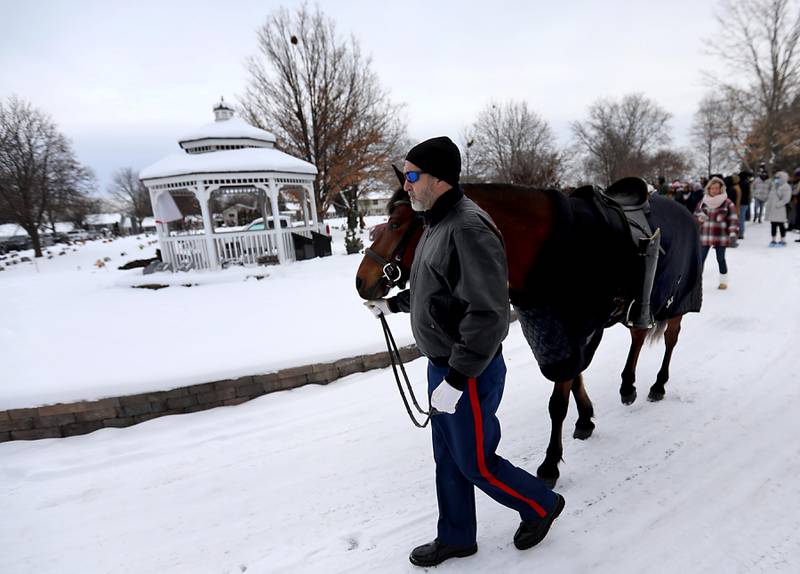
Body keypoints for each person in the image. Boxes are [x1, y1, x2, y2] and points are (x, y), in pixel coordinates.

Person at [364, 136, 563, 567]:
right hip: (445, 366)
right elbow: (439, 289)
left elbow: (489, 314)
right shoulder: (436, 222)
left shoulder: (469, 228)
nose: (407, 185)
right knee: (448, 457)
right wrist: (396, 303)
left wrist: (456, 379)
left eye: (413, 176)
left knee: (476, 462)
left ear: (438, 179)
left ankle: (541, 505)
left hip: (467, 372)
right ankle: (456, 536)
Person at [694, 176, 739, 289]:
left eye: (717, 188)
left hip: (721, 235)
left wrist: (733, 233)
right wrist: (698, 219)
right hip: (705, 235)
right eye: (712, 188)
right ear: (708, 189)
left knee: (720, 259)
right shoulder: (702, 202)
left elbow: (733, 219)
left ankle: (723, 281)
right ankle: (696, 282)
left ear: (721, 189)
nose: (714, 190)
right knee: (700, 259)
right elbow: (695, 216)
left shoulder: (727, 203)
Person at [765, 171, 792, 246]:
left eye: (778, 178)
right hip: (773, 210)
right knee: (773, 225)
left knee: (781, 225)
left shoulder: (786, 186)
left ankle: (783, 240)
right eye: (776, 178)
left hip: (780, 209)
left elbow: (787, 198)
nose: (777, 179)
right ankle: (773, 240)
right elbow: (771, 197)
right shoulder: (774, 185)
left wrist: (778, 204)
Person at [738, 170, 753, 239]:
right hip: (745, 203)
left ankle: (739, 233)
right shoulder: (747, 183)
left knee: (740, 218)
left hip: (739, 202)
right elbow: (749, 194)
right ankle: (741, 233)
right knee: (742, 218)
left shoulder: (739, 183)